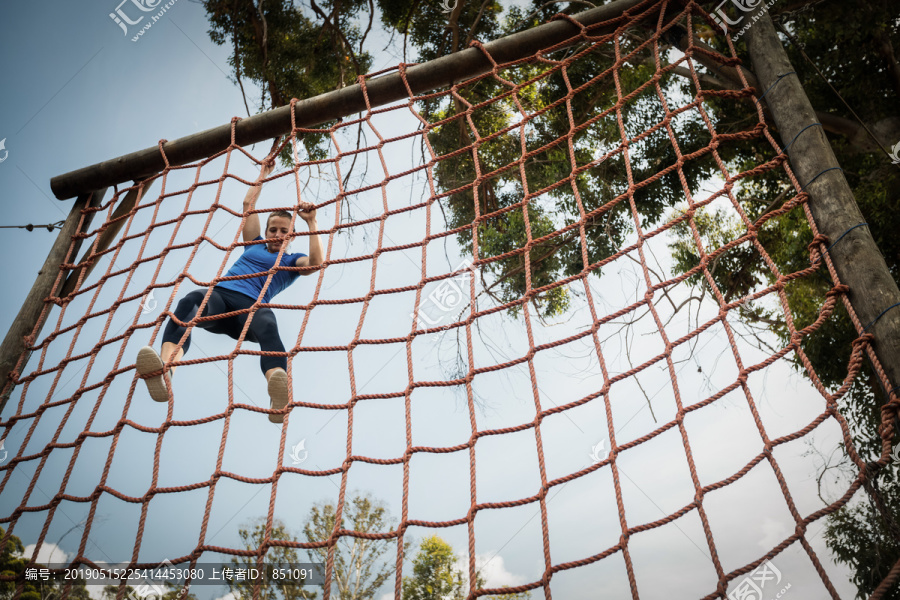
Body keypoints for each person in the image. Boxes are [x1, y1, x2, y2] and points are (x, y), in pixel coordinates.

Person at [136, 160, 323, 423]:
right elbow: (249, 206)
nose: (277, 234)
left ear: (291, 236)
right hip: (221, 300)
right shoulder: (253, 244)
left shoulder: (292, 262)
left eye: (284, 231)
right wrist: (263, 173)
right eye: (273, 229)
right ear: (266, 232)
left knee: (269, 325)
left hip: (251, 312)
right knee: (191, 301)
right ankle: (167, 370)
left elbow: (315, 263)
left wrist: (312, 223)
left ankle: (278, 394)